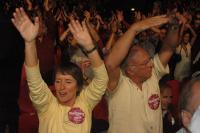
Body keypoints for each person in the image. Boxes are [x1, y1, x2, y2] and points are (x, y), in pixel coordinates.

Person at [11, 7, 108, 133]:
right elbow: (34, 79)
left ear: (78, 86)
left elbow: (102, 79)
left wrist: (90, 46)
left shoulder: (85, 102)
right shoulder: (46, 105)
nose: (61, 87)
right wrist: (29, 42)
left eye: (68, 82)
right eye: (58, 81)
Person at [105, 14, 180, 133]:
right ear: (131, 69)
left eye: (150, 59)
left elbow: (169, 48)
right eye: (145, 63)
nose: (151, 64)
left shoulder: (152, 74)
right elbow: (110, 64)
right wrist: (135, 28)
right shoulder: (117, 85)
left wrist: (175, 26)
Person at [0, 2, 24, 133]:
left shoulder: (5, 26)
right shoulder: (18, 29)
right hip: (14, 77)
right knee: (11, 108)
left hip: (5, 76)